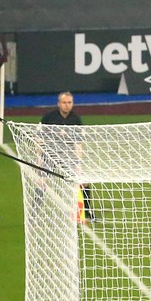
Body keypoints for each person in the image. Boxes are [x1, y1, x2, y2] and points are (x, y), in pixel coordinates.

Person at [37, 91, 94, 223]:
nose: (67, 105)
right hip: (50, 154)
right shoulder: (48, 118)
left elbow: (78, 143)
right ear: (58, 104)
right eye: (64, 103)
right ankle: (34, 213)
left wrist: (78, 162)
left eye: (69, 103)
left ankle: (87, 213)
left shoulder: (76, 120)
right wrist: (39, 158)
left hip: (68, 155)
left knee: (84, 182)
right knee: (42, 183)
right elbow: (39, 138)